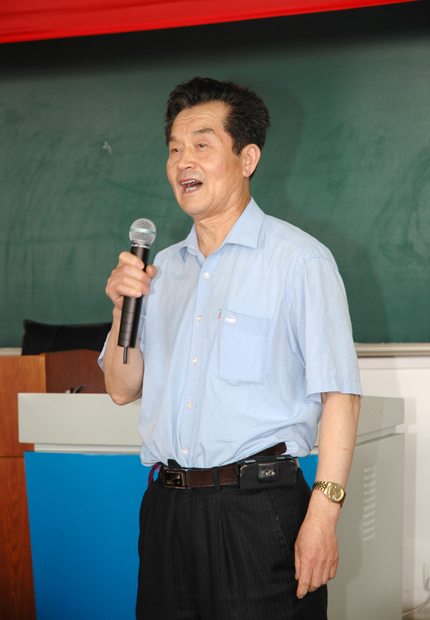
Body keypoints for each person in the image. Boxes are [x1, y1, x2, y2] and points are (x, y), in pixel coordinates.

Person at [99, 76, 362, 620]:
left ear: (247, 158)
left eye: (202, 144)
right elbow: (121, 389)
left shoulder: (299, 260)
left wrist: (323, 516)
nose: (183, 162)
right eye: (174, 149)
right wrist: (125, 307)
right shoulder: (159, 269)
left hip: (258, 512)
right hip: (167, 509)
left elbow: (341, 395)